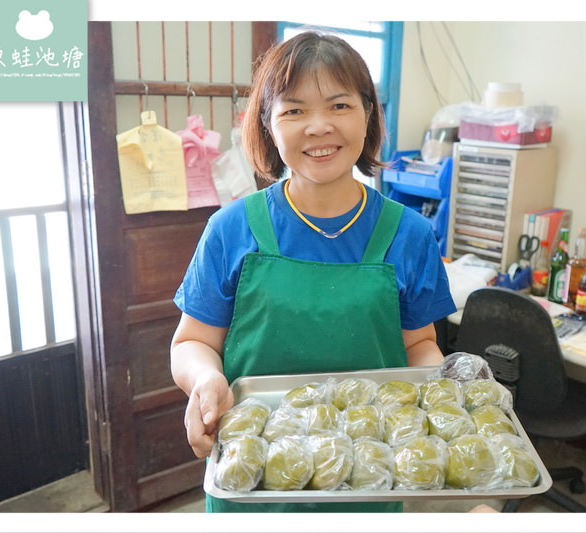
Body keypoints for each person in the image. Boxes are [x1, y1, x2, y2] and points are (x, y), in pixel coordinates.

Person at [170, 31, 457, 513]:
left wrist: (455, 393)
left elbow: (418, 345)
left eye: (340, 106)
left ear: (369, 114)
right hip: (252, 474)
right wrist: (204, 380)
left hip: (371, 476)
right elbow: (192, 341)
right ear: (268, 125)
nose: (319, 127)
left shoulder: (409, 233)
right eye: (294, 110)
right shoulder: (230, 228)